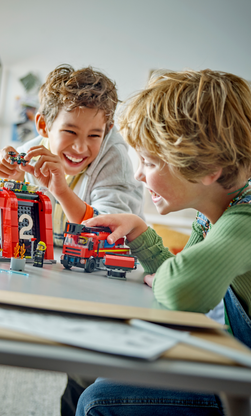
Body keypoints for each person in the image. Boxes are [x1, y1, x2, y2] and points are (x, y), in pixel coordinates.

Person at [76, 69, 251, 416]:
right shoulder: (215, 209)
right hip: (236, 359)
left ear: (208, 168)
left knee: (99, 401)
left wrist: (168, 280)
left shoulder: (244, 220)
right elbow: (184, 269)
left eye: (150, 161)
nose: (139, 173)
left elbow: (182, 289)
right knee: (93, 373)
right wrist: (140, 231)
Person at [0, 65, 144, 247]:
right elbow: (16, 232)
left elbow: (107, 236)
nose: (80, 148)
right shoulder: (28, 157)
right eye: (70, 131)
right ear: (43, 125)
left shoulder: (114, 159)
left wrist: (62, 192)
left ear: (106, 132)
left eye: (94, 135)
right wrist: (16, 185)